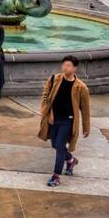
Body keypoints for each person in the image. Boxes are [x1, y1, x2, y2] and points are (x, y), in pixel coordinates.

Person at [38, 56, 91, 188]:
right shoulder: (53, 79)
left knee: (60, 146)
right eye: (64, 65)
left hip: (68, 121)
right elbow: (45, 97)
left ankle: (56, 176)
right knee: (56, 145)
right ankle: (71, 160)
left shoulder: (81, 87)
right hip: (54, 119)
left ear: (74, 68)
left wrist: (86, 127)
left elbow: (85, 109)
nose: (65, 68)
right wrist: (48, 113)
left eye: (68, 65)